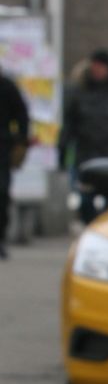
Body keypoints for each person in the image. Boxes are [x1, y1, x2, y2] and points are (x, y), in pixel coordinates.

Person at [58, 49, 108, 175]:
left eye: (101, 66)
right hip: (85, 158)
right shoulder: (79, 95)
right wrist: (62, 153)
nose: (97, 70)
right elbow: (69, 126)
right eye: (95, 66)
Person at [0, 65, 30, 259]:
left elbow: (21, 115)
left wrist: (20, 140)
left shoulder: (6, 86)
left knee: (1, 194)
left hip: (2, 148)